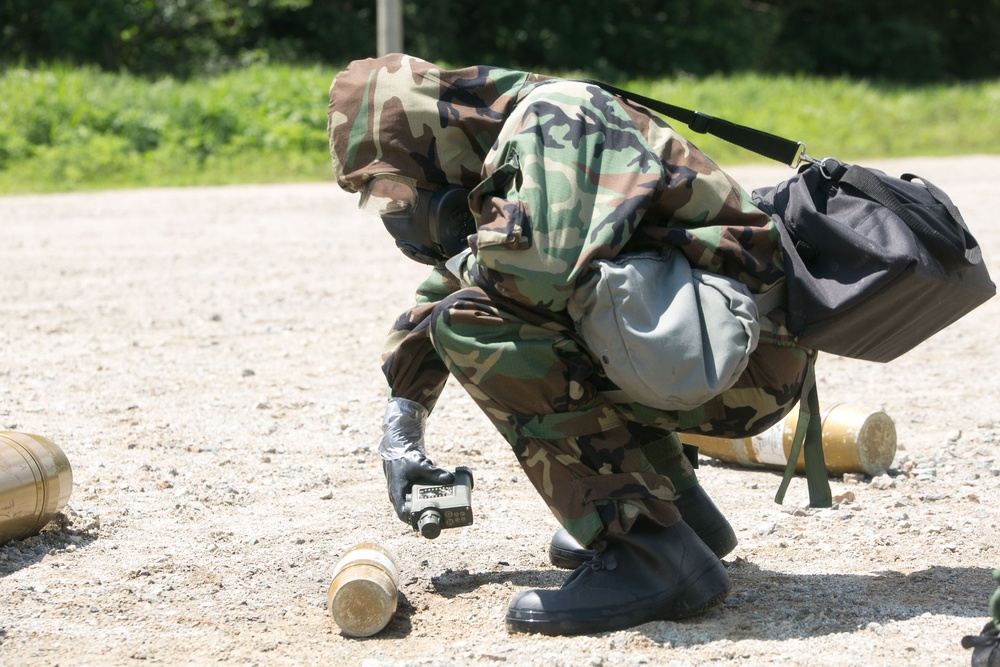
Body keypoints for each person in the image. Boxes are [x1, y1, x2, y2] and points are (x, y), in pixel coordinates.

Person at [327, 53, 812, 636]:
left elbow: (537, 275)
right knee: (498, 312)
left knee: (479, 325)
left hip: (743, 361)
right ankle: (680, 518)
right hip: (725, 347)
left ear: (426, 138)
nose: (394, 209)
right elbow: (459, 282)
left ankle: (651, 556)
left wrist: (458, 271)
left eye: (390, 186)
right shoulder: (509, 143)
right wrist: (401, 428)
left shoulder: (557, 115)